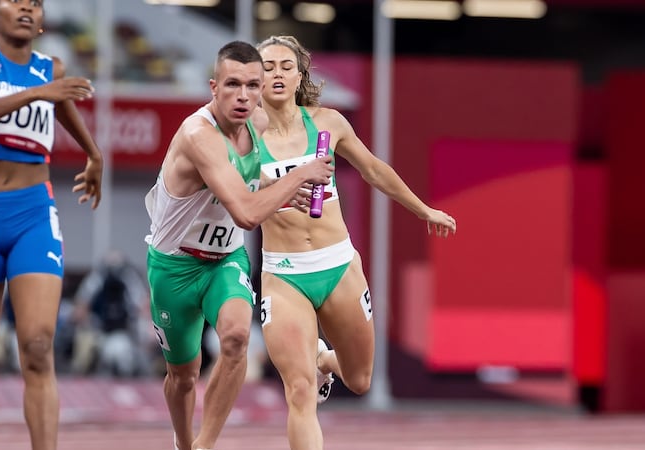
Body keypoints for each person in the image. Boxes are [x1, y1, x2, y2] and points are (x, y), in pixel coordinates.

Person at [256, 35, 457, 449]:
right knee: (299, 389)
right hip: (284, 274)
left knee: (360, 379)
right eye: (267, 67)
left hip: (338, 266)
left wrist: (423, 210)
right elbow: (229, 186)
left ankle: (325, 359)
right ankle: (313, 371)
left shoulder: (327, 122)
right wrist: (283, 181)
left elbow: (373, 170)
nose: (276, 74)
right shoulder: (242, 135)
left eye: (284, 67)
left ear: (299, 76)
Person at [144, 40, 334, 450]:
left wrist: (279, 189)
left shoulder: (258, 122)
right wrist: (300, 177)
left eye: (253, 85)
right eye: (232, 85)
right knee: (184, 375)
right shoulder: (199, 135)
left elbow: (245, 177)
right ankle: (183, 441)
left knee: (234, 338)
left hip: (225, 260)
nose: (244, 96)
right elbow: (247, 213)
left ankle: (205, 445)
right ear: (214, 87)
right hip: (174, 266)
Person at [0, 0, 103, 449]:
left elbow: (65, 108)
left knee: (36, 347)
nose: (28, 9)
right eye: (17, 1)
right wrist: (35, 94)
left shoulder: (50, 67)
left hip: (33, 214)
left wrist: (94, 154)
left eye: (36, 3)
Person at [69, 249, 151, 377]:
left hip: (126, 333)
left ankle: (145, 375)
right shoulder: (98, 278)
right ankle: (79, 375)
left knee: (140, 347)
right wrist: (87, 323)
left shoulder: (129, 278)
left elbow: (142, 306)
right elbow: (81, 305)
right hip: (100, 331)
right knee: (84, 346)